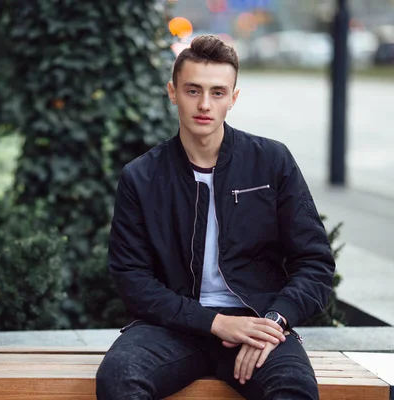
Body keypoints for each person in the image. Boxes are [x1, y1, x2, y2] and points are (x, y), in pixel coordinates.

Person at [96, 34, 336, 400]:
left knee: (294, 388)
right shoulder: (141, 176)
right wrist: (215, 322)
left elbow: (315, 262)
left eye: (218, 92)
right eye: (192, 91)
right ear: (172, 92)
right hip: (173, 326)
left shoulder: (272, 162)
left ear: (233, 99)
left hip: (256, 322)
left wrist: (273, 323)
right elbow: (132, 279)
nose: (204, 104)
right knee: (119, 378)